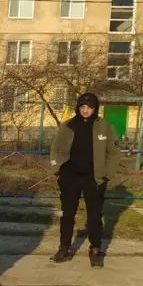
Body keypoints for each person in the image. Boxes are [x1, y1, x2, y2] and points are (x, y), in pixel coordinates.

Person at [49, 92, 120, 267]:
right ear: (78, 108)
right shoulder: (67, 126)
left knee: (94, 216)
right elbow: (55, 149)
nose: (85, 110)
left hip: (94, 179)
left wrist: (106, 176)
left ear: (95, 109)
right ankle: (64, 248)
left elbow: (113, 153)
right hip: (70, 177)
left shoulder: (105, 127)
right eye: (82, 107)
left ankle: (95, 249)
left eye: (89, 107)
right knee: (67, 215)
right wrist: (57, 170)